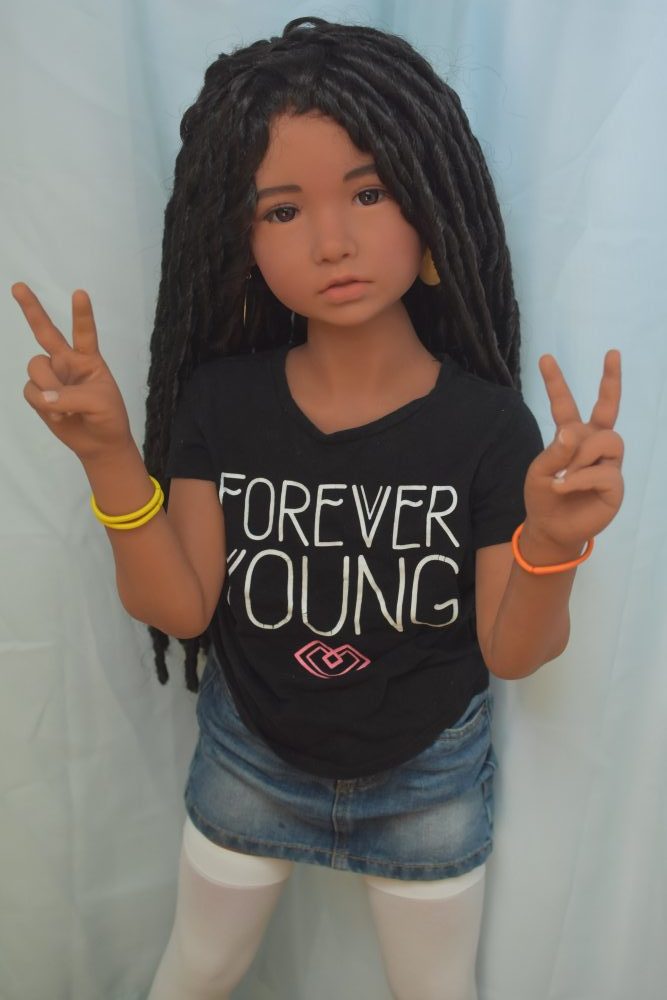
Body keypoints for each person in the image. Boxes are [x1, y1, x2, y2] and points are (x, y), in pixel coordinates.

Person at [13, 16, 624, 1000]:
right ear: (239, 236)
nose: (333, 241)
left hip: (428, 780)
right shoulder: (222, 403)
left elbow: (510, 653)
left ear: (429, 202)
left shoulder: (485, 427)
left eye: (369, 192)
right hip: (247, 761)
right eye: (283, 209)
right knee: (196, 969)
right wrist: (110, 458)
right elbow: (180, 607)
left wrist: (551, 544)